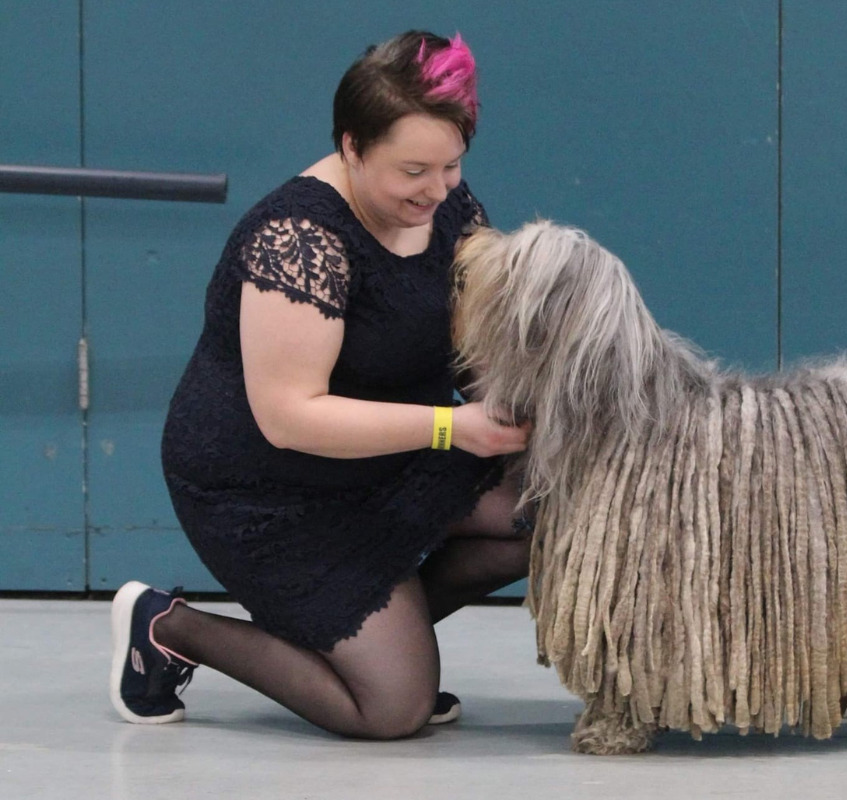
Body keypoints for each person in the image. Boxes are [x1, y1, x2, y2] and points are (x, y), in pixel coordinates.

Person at [108, 30, 532, 740]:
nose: (436, 190)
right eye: (412, 171)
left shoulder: (451, 210)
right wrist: (455, 428)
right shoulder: (298, 239)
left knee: (546, 515)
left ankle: (354, 641)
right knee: (392, 710)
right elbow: (289, 418)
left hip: (391, 457)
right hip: (272, 489)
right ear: (352, 147)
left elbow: (470, 347)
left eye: (452, 166)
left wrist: (522, 407)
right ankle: (168, 626)